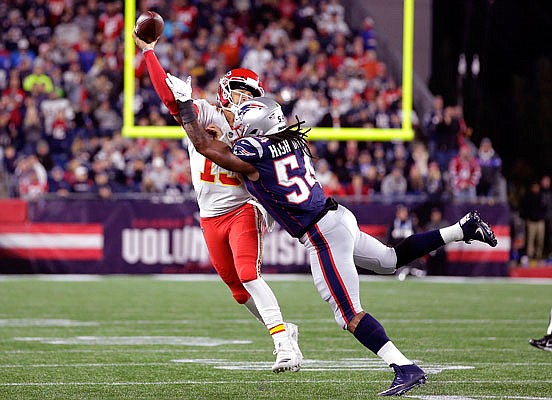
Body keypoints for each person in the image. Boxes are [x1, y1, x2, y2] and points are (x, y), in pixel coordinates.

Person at [167, 78, 498, 396]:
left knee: (348, 314)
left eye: (243, 122)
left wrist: (184, 107)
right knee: (390, 260)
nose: (237, 127)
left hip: (322, 234)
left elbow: (204, 146)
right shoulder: (292, 141)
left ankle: (404, 367)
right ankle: (462, 229)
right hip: (339, 218)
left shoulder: (255, 150)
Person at [133, 33, 302, 373]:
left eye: (252, 94)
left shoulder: (258, 127)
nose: (246, 99)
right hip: (210, 214)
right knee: (238, 292)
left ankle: (284, 345)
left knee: (248, 274)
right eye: (241, 91)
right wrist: (150, 53)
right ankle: (287, 329)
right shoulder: (206, 112)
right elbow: (169, 97)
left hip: (244, 208)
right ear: (227, 90)